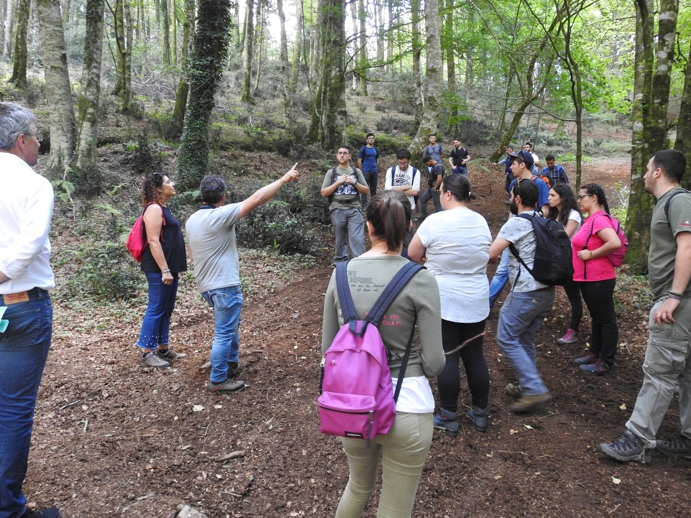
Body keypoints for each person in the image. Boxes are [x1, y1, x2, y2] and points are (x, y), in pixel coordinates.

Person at [321, 191, 445, 517]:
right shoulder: (421, 279)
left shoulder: (340, 274)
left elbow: (328, 351)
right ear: (409, 227)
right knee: (394, 508)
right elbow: (434, 363)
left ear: (368, 226)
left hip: (353, 406)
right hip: (407, 406)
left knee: (357, 487)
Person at [599, 150, 691, 464]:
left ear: (658, 172)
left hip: (678, 303)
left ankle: (638, 439)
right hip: (682, 301)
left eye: (648, 169)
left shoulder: (678, 200)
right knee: (686, 373)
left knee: (659, 372)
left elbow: (687, 246)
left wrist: (674, 295)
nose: (644, 174)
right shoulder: (672, 203)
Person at [186, 166, 300, 393]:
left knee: (229, 326)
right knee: (224, 332)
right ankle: (218, 379)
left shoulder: (192, 220)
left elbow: (191, 255)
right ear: (223, 196)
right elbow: (257, 198)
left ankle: (230, 364)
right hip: (224, 285)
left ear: (202, 196)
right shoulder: (220, 215)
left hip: (207, 286)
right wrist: (283, 179)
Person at [0, 102, 61, 518]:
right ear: (21, 141)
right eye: (37, 137)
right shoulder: (34, 184)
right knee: (13, 409)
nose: (40, 144)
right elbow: (28, 246)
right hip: (20, 307)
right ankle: (9, 510)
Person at [409, 174, 492, 434]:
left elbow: (413, 253)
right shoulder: (480, 221)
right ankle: (480, 413)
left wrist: (432, 261)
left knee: (448, 355)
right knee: (475, 356)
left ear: (447, 194)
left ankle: (448, 415)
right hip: (476, 299)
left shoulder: (435, 221)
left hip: (444, 300)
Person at [489, 180, 554, 413]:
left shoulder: (516, 222)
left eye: (511, 196)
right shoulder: (544, 221)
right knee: (525, 337)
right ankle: (528, 385)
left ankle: (534, 388)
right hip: (547, 291)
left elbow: (490, 253)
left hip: (527, 292)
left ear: (517, 199)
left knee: (506, 337)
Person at [136, 173, 188, 368]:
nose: (172, 184)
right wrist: (164, 270)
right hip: (159, 268)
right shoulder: (153, 209)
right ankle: (146, 353)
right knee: (156, 307)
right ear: (158, 188)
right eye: (168, 182)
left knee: (166, 307)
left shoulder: (163, 208)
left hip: (169, 267)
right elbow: (153, 241)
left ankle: (163, 348)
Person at [488, 150, 550, 309]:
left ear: (523, 165)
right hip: (514, 232)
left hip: (531, 235)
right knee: (502, 271)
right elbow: (513, 211)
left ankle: (524, 301)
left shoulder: (540, 184)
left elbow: (545, 210)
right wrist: (508, 231)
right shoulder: (513, 184)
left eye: (513, 164)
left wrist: (526, 222)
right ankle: (487, 303)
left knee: (523, 267)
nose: (510, 167)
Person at [571, 183, 621, 375]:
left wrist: (591, 254)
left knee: (606, 320)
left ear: (594, 198)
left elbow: (614, 242)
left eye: (581, 196)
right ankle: (595, 353)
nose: (578, 200)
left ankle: (606, 360)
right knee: (597, 317)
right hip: (589, 278)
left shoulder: (599, 219)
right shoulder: (591, 219)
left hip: (599, 277)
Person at [547, 184, 583, 345]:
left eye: (553, 195)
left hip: (573, 261)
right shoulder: (556, 214)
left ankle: (574, 330)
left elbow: (565, 236)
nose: (549, 198)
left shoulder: (573, 215)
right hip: (559, 259)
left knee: (574, 296)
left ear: (562, 197)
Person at [321, 147, 369, 265]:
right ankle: (340, 264)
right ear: (337, 156)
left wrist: (354, 182)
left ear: (349, 156)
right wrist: (337, 182)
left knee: (357, 238)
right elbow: (324, 192)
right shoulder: (331, 172)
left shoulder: (356, 172)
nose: (342, 155)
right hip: (337, 208)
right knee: (340, 239)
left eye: (345, 153)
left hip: (354, 208)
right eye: (340, 153)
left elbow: (366, 190)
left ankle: (359, 263)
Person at [385, 148, 420, 258]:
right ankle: (392, 255)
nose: (402, 166)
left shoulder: (415, 172)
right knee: (392, 230)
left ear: (409, 160)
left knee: (407, 232)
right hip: (393, 205)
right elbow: (387, 189)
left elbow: (415, 191)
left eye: (405, 163)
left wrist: (395, 189)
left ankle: (406, 257)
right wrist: (408, 187)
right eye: (400, 163)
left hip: (408, 207)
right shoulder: (391, 171)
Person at [357, 132, 379, 209]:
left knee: (373, 189)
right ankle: (364, 205)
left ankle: (373, 204)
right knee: (364, 188)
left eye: (372, 138)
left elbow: (377, 159)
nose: (371, 140)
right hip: (366, 171)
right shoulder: (363, 149)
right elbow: (359, 160)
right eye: (370, 138)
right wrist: (362, 170)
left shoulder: (375, 149)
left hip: (374, 171)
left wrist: (376, 167)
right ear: (367, 140)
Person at [418, 154, 444, 220]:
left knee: (437, 203)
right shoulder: (434, 167)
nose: (427, 165)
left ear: (430, 161)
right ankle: (424, 214)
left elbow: (439, 178)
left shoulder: (438, 166)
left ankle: (440, 217)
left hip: (435, 188)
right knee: (423, 198)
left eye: (427, 164)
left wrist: (435, 187)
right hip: (431, 187)